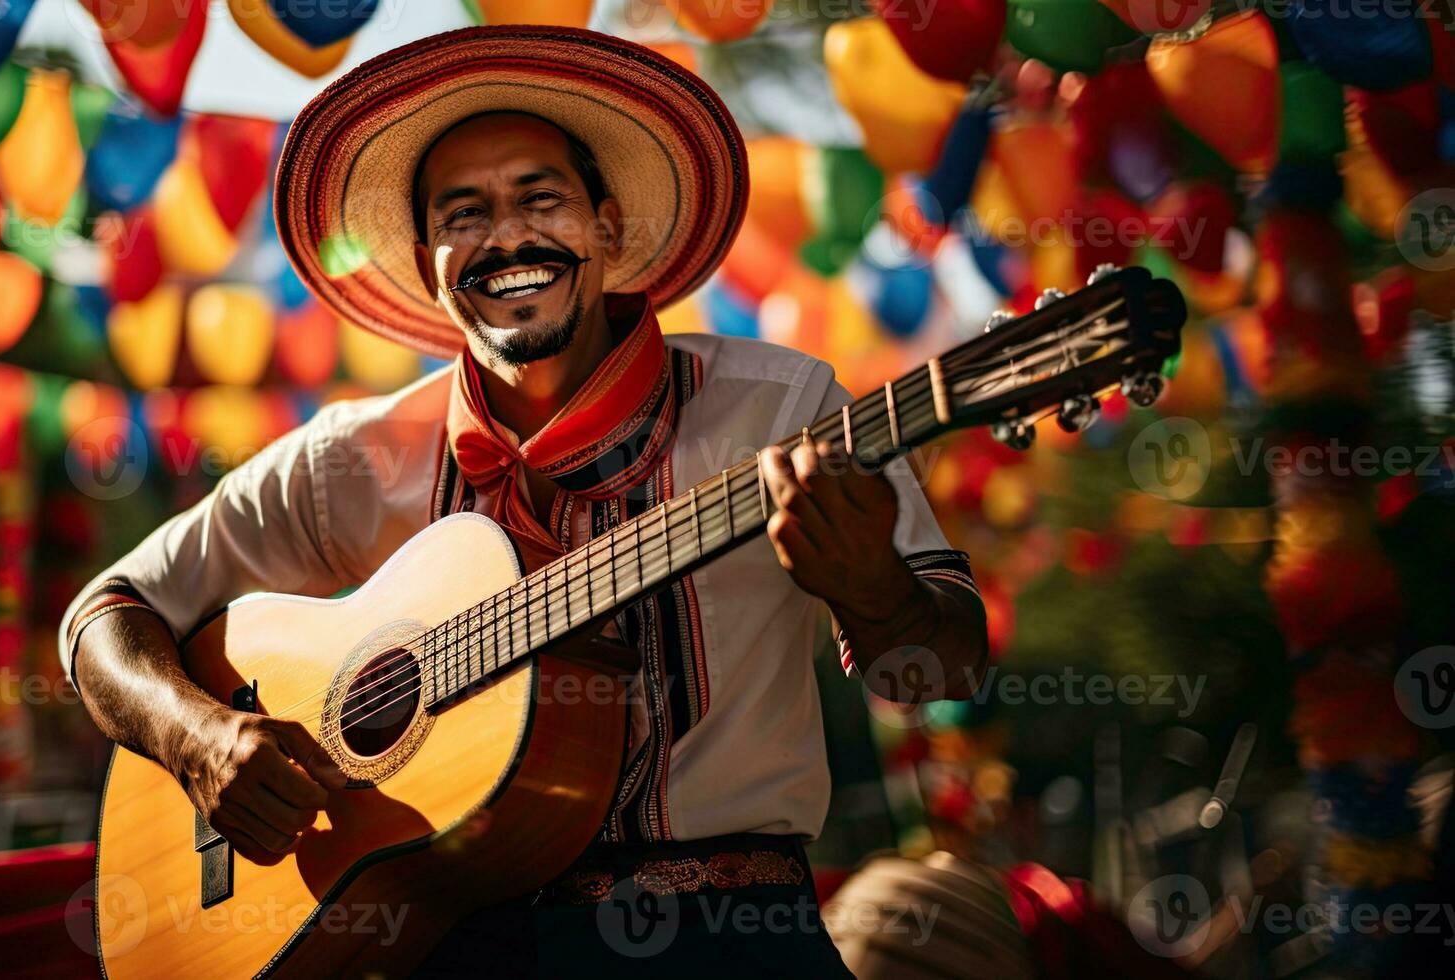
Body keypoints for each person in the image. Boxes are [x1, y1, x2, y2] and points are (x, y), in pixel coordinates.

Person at [61, 25, 988, 976]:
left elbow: (940, 676)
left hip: (732, 942)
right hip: (437, 946)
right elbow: (104, 616)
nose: (506, 237)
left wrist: (878, 595)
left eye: (541, 199)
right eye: (464, 213)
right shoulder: (354, 456)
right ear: (426, 260)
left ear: (607, 226)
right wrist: (194, 735)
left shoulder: (787, 411)